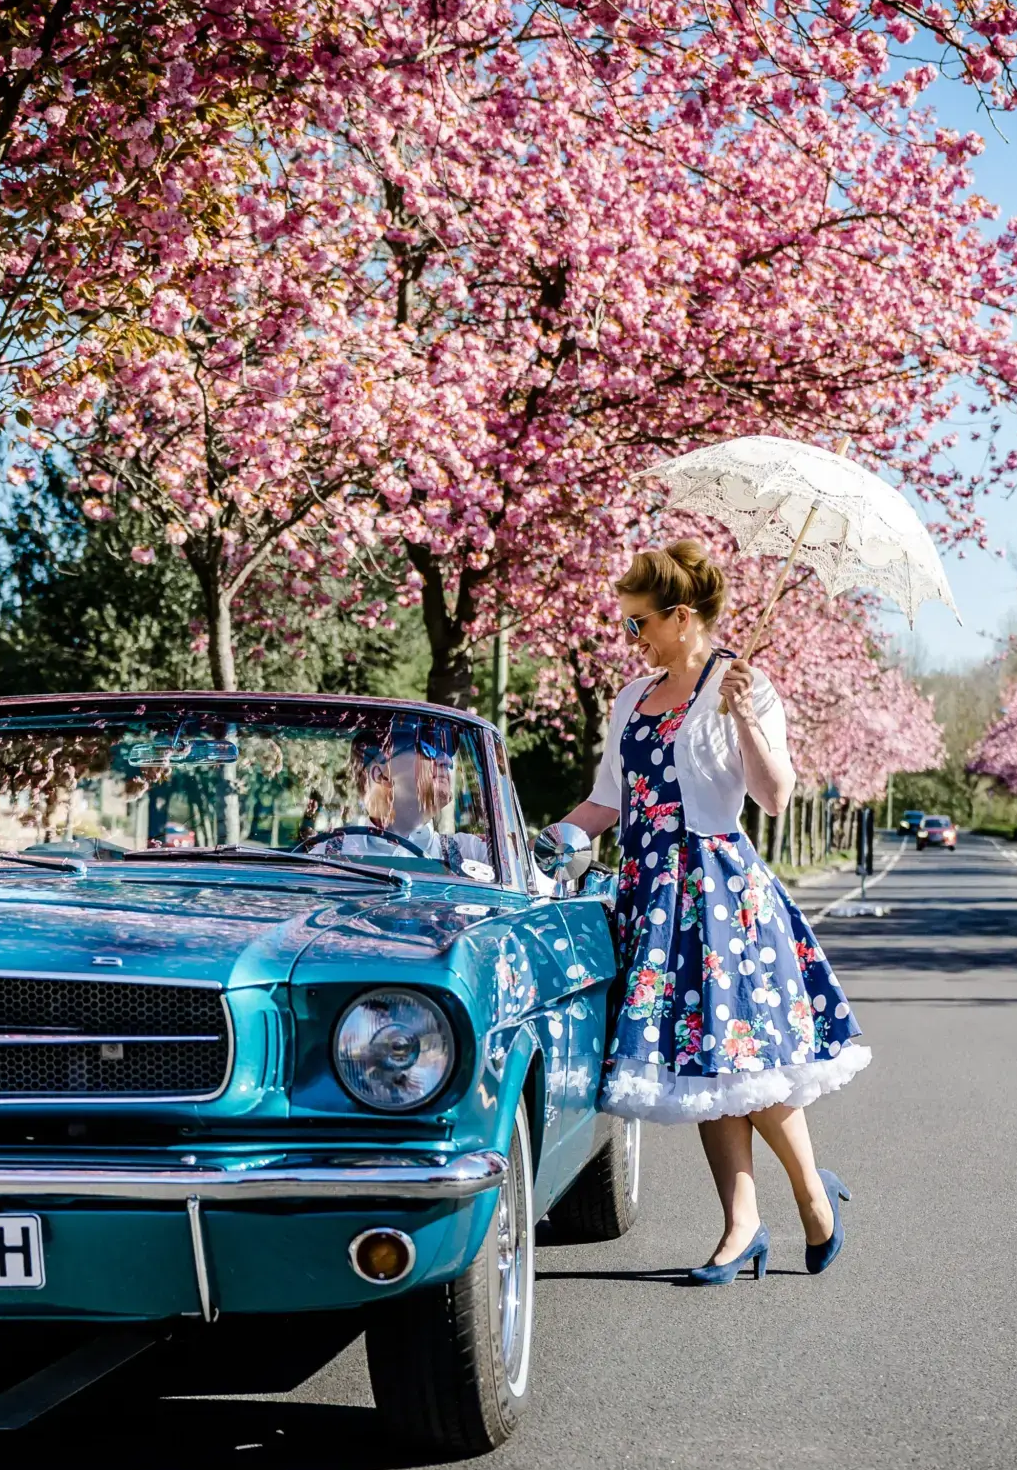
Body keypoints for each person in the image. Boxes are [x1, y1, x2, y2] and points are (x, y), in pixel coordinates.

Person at [557, 541, 868, 1284]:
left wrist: (745, 721)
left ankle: (808, 1194)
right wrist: (550, 840)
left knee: (746, 1063)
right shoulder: (632, 698)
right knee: (704, 1068)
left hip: (719, 891)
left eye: (638, 624)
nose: (628, 637)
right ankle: (743, 1225)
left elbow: (775, 796)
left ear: (682, 617)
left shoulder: (746, 686)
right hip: (648, 892)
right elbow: (609, 798)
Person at [318, 716, 493, 878]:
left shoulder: (474, 854)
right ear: (381, 775)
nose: (446, 761)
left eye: (446, 754)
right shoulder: (326, 854)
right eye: (428, 749)